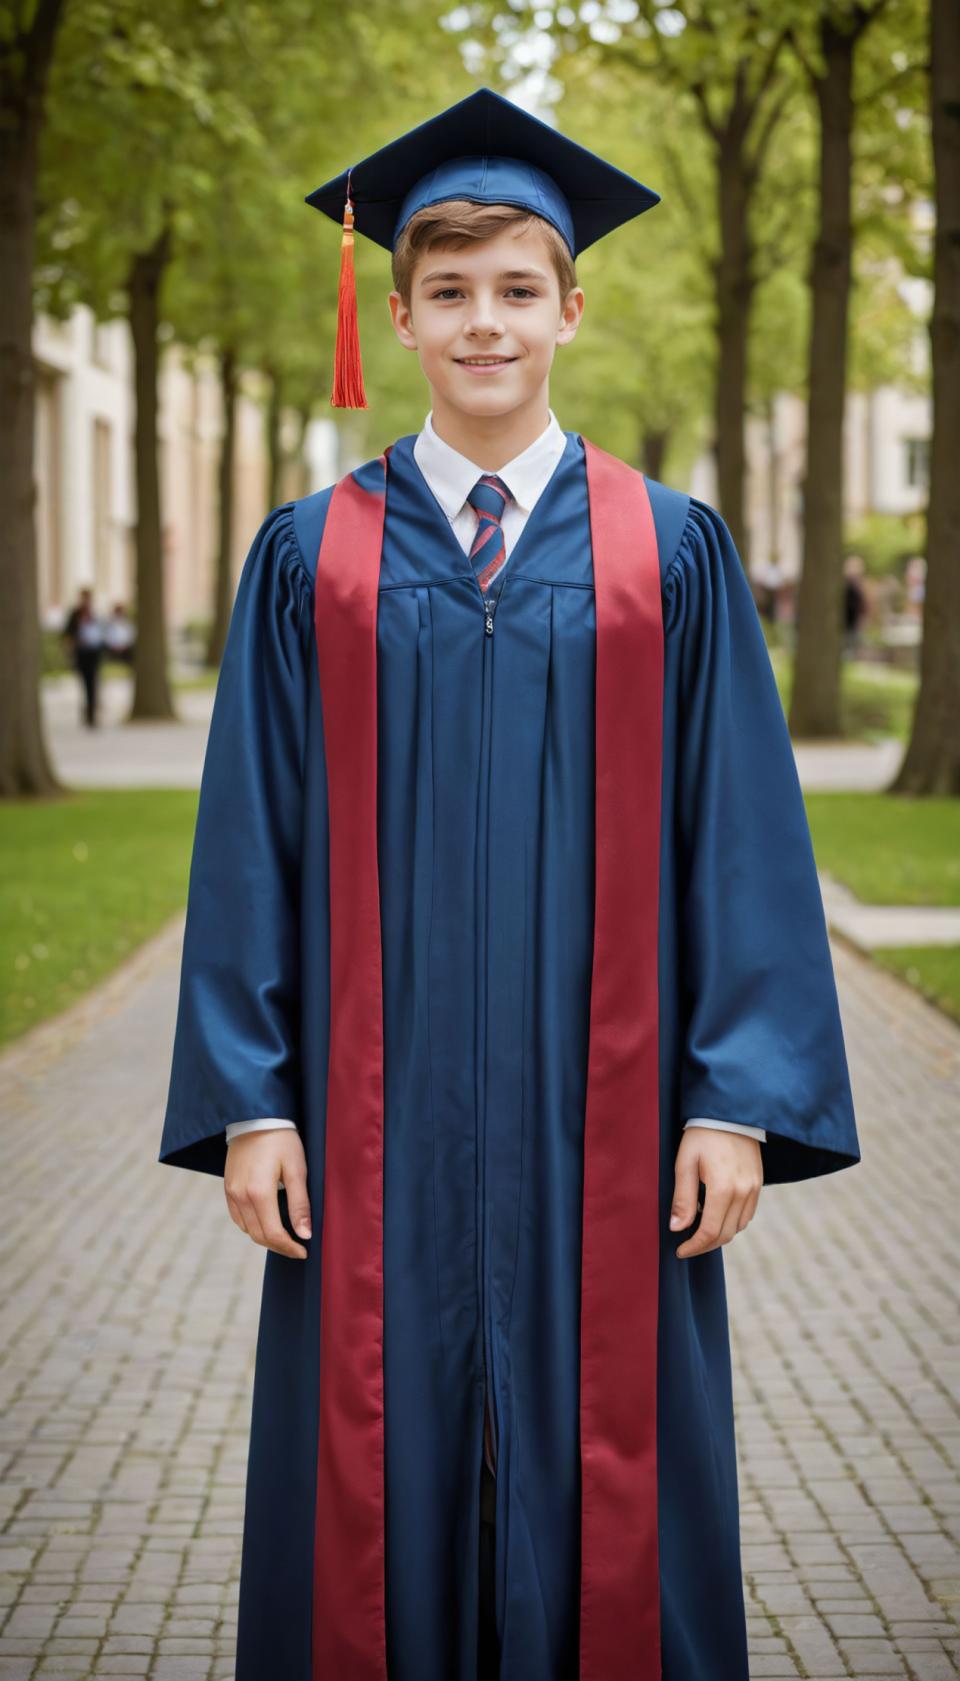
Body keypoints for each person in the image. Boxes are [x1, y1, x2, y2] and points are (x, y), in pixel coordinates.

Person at [158, 87, 861, 1681]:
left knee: (606, 1488)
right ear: (394, 312)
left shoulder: (667, 552)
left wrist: (736, 1097)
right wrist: (253, 1101)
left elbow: (738, 835)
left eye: (518, 289)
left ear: (571, 308)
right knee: (368, 1475)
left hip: (603, 1129)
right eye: (452, 291)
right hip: (368, 1119)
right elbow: (247, 836)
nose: (487, 324)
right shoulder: (312, 557)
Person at [61, 585, 103, 727]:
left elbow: (101, 633)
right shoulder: (75, 614)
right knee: (85, 684)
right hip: (81, 653)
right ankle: (87, 711)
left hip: (94, 653)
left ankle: (92, 714)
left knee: (93, 684)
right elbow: (68, 634)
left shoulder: (95, 614)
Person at [103, 601, 136, 665]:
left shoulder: (127, 623)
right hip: (112, 648)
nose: (119, 613)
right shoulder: (110, 623)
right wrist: (114, 645)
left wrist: (124, 645)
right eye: (118, 611)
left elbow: (131, 635)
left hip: (125, 648)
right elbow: (107, 636)